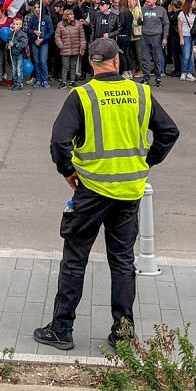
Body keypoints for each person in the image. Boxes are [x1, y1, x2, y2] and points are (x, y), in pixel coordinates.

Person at [34, 37, 180, 352]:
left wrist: (68, 171)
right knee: (123, 262)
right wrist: (147, 161)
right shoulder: (140, 92)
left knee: (75, 259)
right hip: (129, 191)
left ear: (91, 62)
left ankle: (62, 329)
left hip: (91, 191)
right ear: (117, 61)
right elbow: (169, 132)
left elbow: (59, 142)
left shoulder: (82, 95)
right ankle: (123, 334)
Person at [138, 0, 169, 87]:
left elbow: (166, 24)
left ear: (155, 0)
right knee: (145, 58)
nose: (148, 0)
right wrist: (140, 18)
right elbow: (139, 23)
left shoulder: (161, 10)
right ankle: (146, 78)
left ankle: (158, 78)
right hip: (145, 36)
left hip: (156, 37)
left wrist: (165, 38)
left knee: (157, 58)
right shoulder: (143, 9)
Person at [54, 8, 86, 87]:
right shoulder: (60, 25)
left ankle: (72, 81)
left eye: (73, 14)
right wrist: (61, 45)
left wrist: (82, 46)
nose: (73, 16)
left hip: (75, 48)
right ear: (66, 16)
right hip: (65, 48)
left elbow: (82, 36)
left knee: (73, 65)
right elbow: (57, 36)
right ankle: (64, 81)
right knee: (65, 65)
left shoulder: (78, 24)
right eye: (71, 14)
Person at [27, 0, 54, 90]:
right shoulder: (32, 18)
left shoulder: (47, 18)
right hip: (34, 42)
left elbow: (51, 31)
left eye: (38, 7)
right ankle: (38, 80)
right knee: (36, 61)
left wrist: (43, 39)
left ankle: (45, 80)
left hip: (44, 43)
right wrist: (34, 32)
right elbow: (28, 30)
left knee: (43, 61)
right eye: (35, 7)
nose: (37, 9)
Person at [8, 15, 30, 90]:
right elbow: (8, 41)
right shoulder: (11, 33)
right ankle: (14, 83)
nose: (15, 26)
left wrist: (15, 44)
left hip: (19, 54)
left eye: (17, 24)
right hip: (13, 54)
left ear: (20, 26)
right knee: (13, 69)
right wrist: (8, 46)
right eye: (14, 24)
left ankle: (19, 83)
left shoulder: (22, 34)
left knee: (19, 69)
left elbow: (24, 44)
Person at [177, 0, 196, 81]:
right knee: (186, 55)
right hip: (185, 35)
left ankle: (189, 72)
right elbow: (179, 26)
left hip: (193, 36)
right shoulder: (182, 14)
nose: (195, 4)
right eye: (194, 2)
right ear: (190, 4)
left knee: (192, 56)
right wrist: (181, 38)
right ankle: (184, 72)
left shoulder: (195, 14)